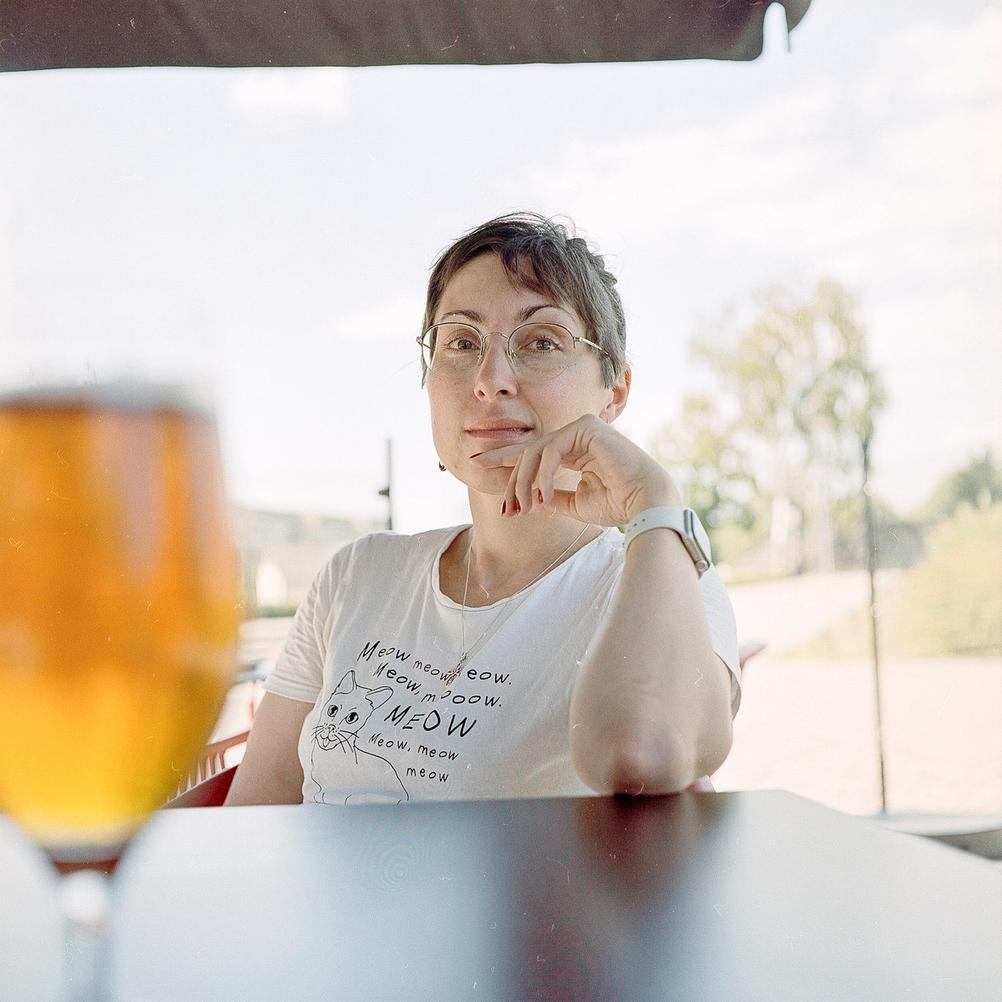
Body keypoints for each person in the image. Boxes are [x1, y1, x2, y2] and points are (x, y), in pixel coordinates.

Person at [225, 212, 740, 807]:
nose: (490, 379)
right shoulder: (357, 576)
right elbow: (251, 820)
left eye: (541, 341)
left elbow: (641, 756)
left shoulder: (664, 588)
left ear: (615, 392)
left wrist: (655, 505)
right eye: (462, 343)